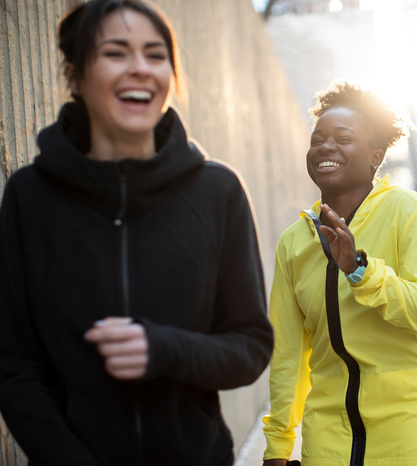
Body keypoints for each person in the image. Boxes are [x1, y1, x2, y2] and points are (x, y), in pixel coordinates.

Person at [0, 1, 273, 465]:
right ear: (74, 74)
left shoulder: (217, 190)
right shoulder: (30, 196)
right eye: (116, 53)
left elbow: (250, 345)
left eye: (154, 54)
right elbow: (14, 366)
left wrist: (164, 348)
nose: (140, 69)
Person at [261, 82, 417, 466]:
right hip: (326, 443)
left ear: (375, 156)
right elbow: (287, 355)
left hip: (409, 437)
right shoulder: (294, 242)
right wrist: (278, 445)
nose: (325, 147)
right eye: (318, 139)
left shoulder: (411, 213)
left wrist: (360, 271)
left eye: (343, 139)